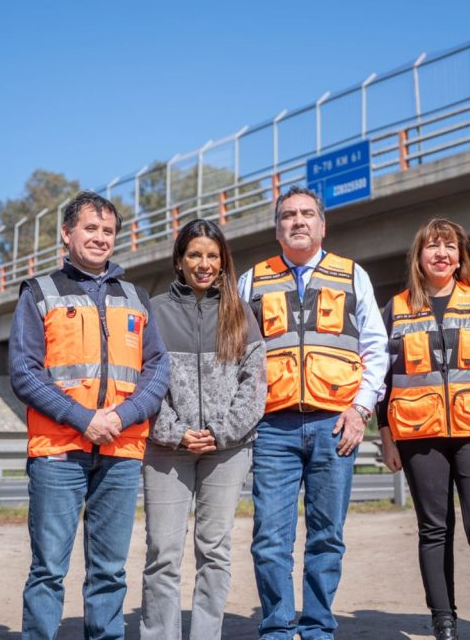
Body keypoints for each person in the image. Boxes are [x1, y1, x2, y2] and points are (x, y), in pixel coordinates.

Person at [9, 191, 170, 640]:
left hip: (120, 450)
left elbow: (158, 370)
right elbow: (23, 372)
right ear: (67, 233)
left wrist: (123, 415)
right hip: (59, 452)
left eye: (108, 231)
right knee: (48, 570)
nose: (100, 238)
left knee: (110, 571)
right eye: (90, 228)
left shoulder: (137, 298)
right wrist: (83, 418)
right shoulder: (39, 292)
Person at [237, 186, 388, 640]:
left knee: (326, 534)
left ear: (323, 225)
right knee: (269, 537)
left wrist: (361, 409)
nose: (297, 221)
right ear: (277, 227)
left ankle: (319, 624)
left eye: (307, 214)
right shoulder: (251, 280)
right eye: (288, 215)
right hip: (273, 427)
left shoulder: (352, 274)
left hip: (335, 423)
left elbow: (376, 347)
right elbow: (234, 355)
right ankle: (278, 626)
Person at [377, 217, 470, 640]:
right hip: (418, 435)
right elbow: (380, 379)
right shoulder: (395, 309)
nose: (441, 253)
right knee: (434, 530)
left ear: (459, 257)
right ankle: (444, 622)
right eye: (433, 246)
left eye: (450, 246)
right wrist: (386, 437)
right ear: (418, 257)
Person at [140, 218, 267, 640]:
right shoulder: (153, 312)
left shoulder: (240, 312)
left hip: (227, 449)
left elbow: (255, 383)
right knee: (163, 553)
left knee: (214, 551)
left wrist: (221, 431)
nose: (204, 263)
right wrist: (174, 431)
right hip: (167, 448)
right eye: (195, 254)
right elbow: (141, 382)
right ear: (179, 260)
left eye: (213, 256)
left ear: (223, 261)